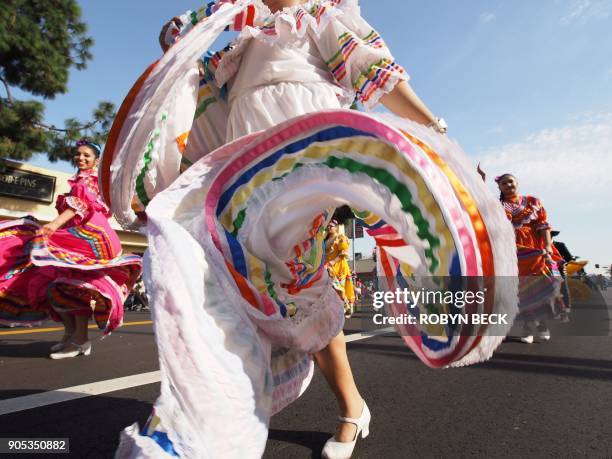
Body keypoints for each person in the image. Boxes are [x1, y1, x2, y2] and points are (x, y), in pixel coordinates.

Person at [106, 1, 519, 457]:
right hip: (244, 176)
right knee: (231, 282)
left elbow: (374, 72)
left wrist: (433, 130)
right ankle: (225, 415)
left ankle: (241, 419)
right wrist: (199, 22)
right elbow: (180, 57)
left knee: (291, 289)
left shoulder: (320, 17)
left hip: (306, 168)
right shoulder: (244, 34)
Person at [0, 139, 142, 359]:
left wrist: (54, 225)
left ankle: (80, 340)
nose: (81, 158)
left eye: (86, 155)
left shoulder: (90, 180)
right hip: (76, 235)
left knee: (70, 287)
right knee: (54, 285)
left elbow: (82, 206)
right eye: (78, 155)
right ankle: (71, 335)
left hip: (88, 237)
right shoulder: (80, 180)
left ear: (96, 160)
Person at [496, 173, 566, 343]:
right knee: (523, 290)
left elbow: (544, 226)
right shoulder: (497, 206)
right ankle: (527, 328)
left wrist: (548, 246)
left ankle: (542, 324)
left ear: (517, 183)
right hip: (514, 251)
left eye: (510, 181)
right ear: (499, 187)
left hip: (537, 249)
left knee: (544, 286)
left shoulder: (533, 202)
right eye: (504, 183)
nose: (508, 185)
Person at [325, 219, 356, 318]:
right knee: (329, 289)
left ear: (336, 227)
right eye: (328, 226)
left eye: (331, 226)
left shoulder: (341, 238)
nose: (329, 228)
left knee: (339, 289)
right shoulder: (324, 239)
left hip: (339, 267)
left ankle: (346, 305)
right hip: (327, 267)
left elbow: (343, 253)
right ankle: (336, 308)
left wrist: (333, 262)